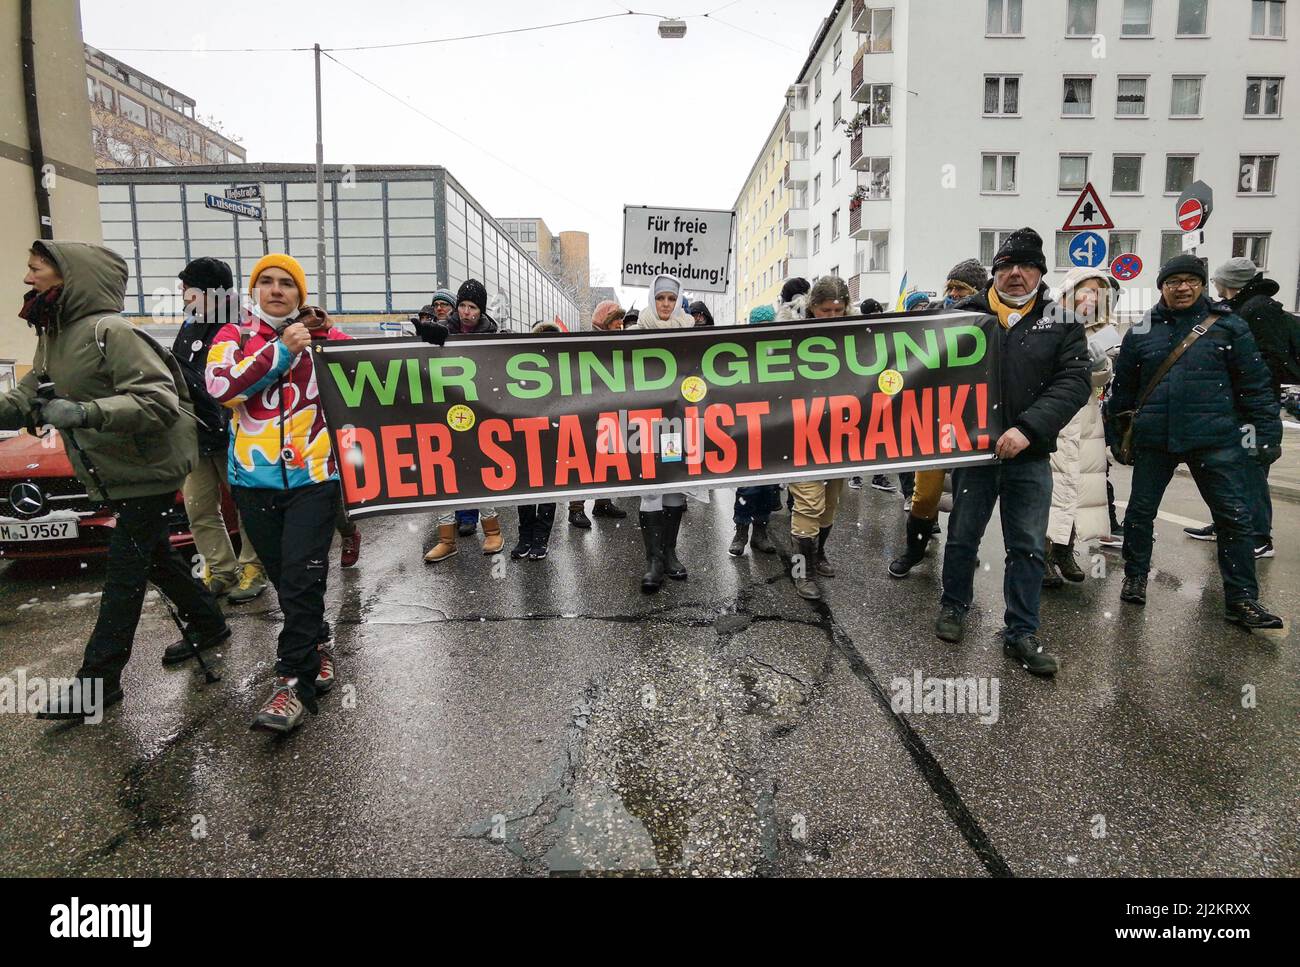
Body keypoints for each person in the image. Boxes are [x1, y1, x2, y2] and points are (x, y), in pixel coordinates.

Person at [0, 241, 229, 720]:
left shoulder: (113, 331)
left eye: (34, 268)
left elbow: (158, 403)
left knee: (124, 573)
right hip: (114, 471)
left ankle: (98, 683)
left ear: (70, 275)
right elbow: (26, 398)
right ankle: (209, 624)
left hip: (148, 468)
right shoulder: (53, 334)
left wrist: (84, 411)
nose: (27, 278)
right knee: (158, 558)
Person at [934, 228, 1091, 677]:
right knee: (963, 536)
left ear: (1041, 273)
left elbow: (1074, 382)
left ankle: (1021, 631)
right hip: (975, 456)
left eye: (1025, 266)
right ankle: (953, 605)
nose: (1015, 274)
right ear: (994, 273)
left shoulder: (1061, 321)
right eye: (1005, 266)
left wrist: (1028, 427)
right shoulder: (964, 315)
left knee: (1026, 548)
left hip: (1029, 455)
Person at [206, 253, 348, 732]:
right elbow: (221, 388)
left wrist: (430, 344)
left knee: (304, 577)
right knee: (289, 582)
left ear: (300, 294)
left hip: (315, 481)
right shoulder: (234, 337)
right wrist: (282, 350)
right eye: (265, 281)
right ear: (253, 291)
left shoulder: (321, 341)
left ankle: (292, 683)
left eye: (286, 283)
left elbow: (376, 372)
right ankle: (317, 645)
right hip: (252, 483)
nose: (275, 289)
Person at [1110, 254, 1283, 630]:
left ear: (1203, 284)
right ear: (1162, 287)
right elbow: (1122, 391)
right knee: (1140, 513)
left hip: (1215, 440)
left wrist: (1266, 435)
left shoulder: (1229, 326)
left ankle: (1241, 598)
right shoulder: (1141, 329)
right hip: (1156, 439)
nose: (1183, 287)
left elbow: (1254, 386)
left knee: (1234, 519)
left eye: (1191, 280)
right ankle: (1135, 577)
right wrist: (1116, 438)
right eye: (1174, 282)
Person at [1184, 258, 1300, 557]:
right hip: (1235, 405)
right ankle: (1227, 524)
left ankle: (1259, 538)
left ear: (1229, 281)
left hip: (1253, 408)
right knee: (1228, 470)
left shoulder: (1259, 309)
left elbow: (1268, 360)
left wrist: (1250, 395)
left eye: (1218, 279)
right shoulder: (1239, 307)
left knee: (1250, 472)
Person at [173, 257, 269, 605]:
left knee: (249, 507)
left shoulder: (244, 327)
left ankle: (253, 568)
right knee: (199, 508)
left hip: (235, 434)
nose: (183, 294)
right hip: (194, 437)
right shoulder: (189, 327)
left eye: (188, 288)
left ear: (210, 291)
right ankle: (220, 570)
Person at [889, 258, 991, 578]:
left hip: (974, 423)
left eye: (958, 288)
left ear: (974, 292)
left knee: (968, 499)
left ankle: (962, 551)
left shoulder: (990, 322)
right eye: (948, 286)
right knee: (925, 496)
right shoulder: (930, 319)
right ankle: (914, 550)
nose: (951, 293)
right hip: (933, 422)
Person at [1042, 267, 1122, 588]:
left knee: (1077, 486)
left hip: (1086, 420)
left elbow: (1101, 382)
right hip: (1056, 417)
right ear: (1069, 292)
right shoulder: (1049, 325)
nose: (1090, 299)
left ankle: (1065, 550)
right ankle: (1043, 553)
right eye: (1085, 291)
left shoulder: (1105, 331)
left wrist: (1101, 365)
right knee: (1052, 489)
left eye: (1097, 293)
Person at [423, 279, 505, 561]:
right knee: (445, 474)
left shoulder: (492, 334)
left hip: (480, 415)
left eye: (473, 307)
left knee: (481, 471)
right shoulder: (442, 331)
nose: (467, 312)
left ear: (480, 310)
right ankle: (447, 538)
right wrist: (424, 338)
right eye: (463, 306)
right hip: (446, 415)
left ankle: (492, 531)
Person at [788, 276, 852, 601]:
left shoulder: (855, 340)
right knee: (808, 504)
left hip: (839, 434)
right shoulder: (791, 338)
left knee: (830, 504)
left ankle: (818, 553)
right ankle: (802, 570)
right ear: (813, 308)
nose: (832, 316)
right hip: (801, 433)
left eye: (838, 310)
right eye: (825, 310)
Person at [636, 273, 696, 593]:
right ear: (652, 299)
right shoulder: (637, 332)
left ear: (678, 301)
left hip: (675, 423)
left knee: (673, 483)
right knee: (650, 488)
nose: (665, 304)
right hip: (647, 422)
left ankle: (670, 552)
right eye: (660, 298)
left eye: (671, 299)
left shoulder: (689, 331)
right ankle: (653, 560)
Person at [568, 301, 629, 525]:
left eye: (620, 319)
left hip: (609, 407)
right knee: (583, 459)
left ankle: (603, 503)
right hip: (587, 409)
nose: (619, 323)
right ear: (603, 320)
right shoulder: (586, 341)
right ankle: (576, 508)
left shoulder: (619, 342)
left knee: (608, 456)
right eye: (615, 319)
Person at [730, 305, 781, 558]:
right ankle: (741, 532)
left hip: (773, 431)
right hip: (748, 431)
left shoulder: (780, 357)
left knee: (768, 488)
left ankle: (760, 533)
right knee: (748, 487)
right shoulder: (743, 357)